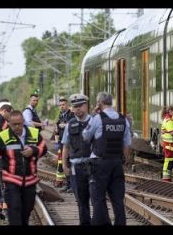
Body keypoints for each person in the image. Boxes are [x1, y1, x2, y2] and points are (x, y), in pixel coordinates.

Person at [0, 110, 47, 225]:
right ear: (9, 123)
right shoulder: (2, 137)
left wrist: (34, 150)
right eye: (14, 124)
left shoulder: (34, 133)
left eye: (19, 123)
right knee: (14, 211)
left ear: (23, 122)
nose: (17, 127)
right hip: (12, 182)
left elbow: (43, 148)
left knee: (26, 213)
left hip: (30, 182)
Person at [82, 92, 131, 225]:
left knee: (97, 198)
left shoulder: (97, 118)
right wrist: (126, 161)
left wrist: (93, 115)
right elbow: (126, 145)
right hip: (116, 163)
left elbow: (85, 136)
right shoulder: (123, 119)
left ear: (99, 103)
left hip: (99, 163)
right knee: (118, 200)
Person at [61, 94, 92, 225]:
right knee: (81, 200)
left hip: (93, 166)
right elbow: (66, 146)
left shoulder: (95, 122)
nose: (78, 109)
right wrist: (64, 165)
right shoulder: (70, 125)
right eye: (75, 107)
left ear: (86, 105)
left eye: (80, 106)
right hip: (76, 167)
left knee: (97, 199)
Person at [54, 97, 75, 192]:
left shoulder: (72, 115)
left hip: (70, 143)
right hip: (62, 142)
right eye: (60, 105)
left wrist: (65, 125)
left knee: (69, 163)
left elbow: (75, 124)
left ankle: (72, 185)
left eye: (63, 105)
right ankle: (68, 183)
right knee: (64, 163)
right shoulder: (60, 116)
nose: (62, 107)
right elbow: (57, 129)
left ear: (67, 105)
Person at [160, 106, 173, 182]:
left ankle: (166, 177)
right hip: (169, 144)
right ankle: (166, 178)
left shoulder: (167, 119)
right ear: (170, 111)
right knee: (169, 161)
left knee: (168, 161)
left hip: (168, 144)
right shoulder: (169, 121)